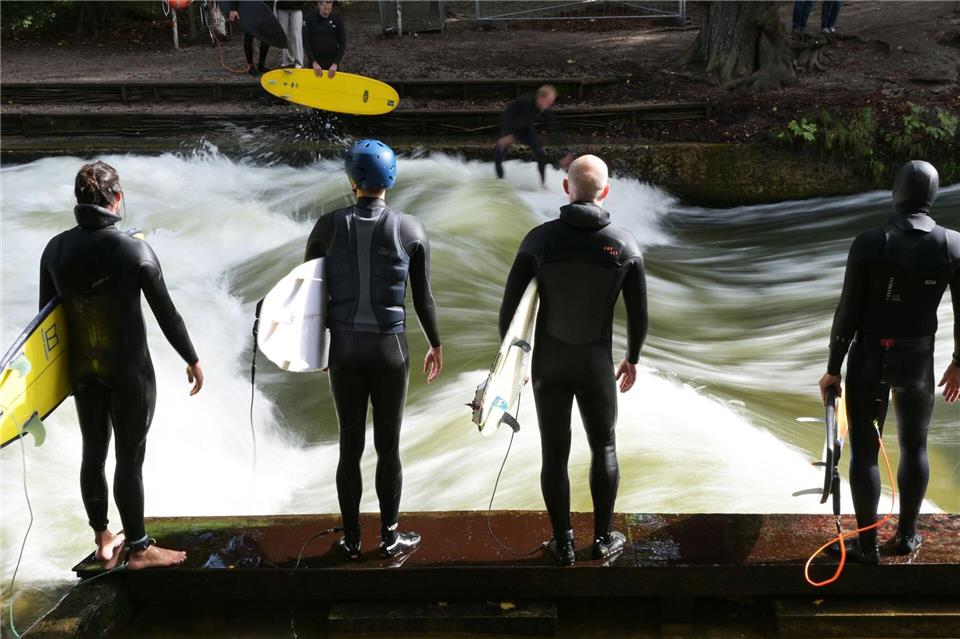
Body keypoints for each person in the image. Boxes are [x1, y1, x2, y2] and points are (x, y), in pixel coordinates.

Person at [39, 162, 204, 570]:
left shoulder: (55, 249)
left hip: (82, 369)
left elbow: (45, 322)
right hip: (127, 370)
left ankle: (103, 538)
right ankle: (141, 549)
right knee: (129, 457)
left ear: (79, 201)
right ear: (117, 199)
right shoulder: (134, 250)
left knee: (92, 454)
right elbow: (168, 314)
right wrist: (192, 358)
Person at [498, 155, 648, 566]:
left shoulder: (539, 241)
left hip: (548, 362)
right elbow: (639, 316)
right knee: (604, 445)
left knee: (554, 452)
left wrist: (511, 368)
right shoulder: (625, 245)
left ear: (566, 189)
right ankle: (602, 539)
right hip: (596, 363)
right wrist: (632, 357)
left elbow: (509, 312)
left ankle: (562, 542)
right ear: (606, 190)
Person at [304, 139, 442, 561]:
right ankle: (389, 535)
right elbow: (424, 299)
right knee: (388, 445)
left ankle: (350, 539)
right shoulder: (411, 229)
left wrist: (317, 349)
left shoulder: (327, 226)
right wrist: (435, 343)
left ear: (351, 180)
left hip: (343, 349)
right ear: (392, 179)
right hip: (389, 350)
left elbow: (308, 295)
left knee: (349, 444)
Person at [819, 160, 960, 565]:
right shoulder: (952, 244)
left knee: (864, 451)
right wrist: (958, 362)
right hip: (919, 359)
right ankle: (907, 536)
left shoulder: (870, 241)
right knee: (915, 446)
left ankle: (865, 548)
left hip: (869, 357)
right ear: (932, 196)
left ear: (896, 192)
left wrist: (833, 367)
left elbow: (848, 311)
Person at [494, 85, 573, 187]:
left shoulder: (544, 109)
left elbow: (554, 130)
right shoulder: (524, 101)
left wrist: (565, 153)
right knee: (498, 155)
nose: (550, 104)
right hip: (511, 128)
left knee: (540, 154)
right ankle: (500, 181)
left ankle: (543, 184)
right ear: (540, 98)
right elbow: (507, 116)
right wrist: (508, 134)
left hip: (525, 130)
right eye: (549, 101)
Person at [227, 1, 272, 76]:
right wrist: (233, 9)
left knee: (266, 38)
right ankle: (250, 66)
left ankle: (261, 65)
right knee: (249, 36)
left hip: (266, 8)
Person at [304, 1, 346, 78]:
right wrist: (314, 62)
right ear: (319, 4)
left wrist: (336, 63)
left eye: (330, 6)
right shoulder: (309, 19)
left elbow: (343, 43)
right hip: (315, 65)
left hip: (332, 66)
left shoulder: (337, 20)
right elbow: (305, 42)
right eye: (325, 7)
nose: (327, 9)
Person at [275, 0, 304, 68]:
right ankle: (287, 61)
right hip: (282, 7)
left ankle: (299, 62)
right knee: (284, 35)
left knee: (296, 35)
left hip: (297, 7)